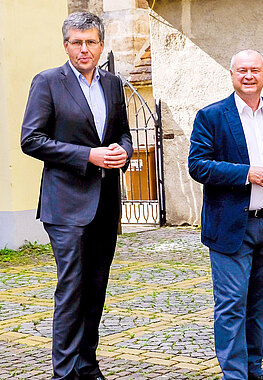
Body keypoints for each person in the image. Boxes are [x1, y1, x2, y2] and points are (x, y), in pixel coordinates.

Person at [20, 12, 132, 380]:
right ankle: (64, 371)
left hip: (104, 202)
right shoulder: (49, 82)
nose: (84, 49)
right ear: (66, 45)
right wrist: (87, 155)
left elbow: (124, 134)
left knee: (96, 287)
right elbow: (31, 140)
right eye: (77, 42)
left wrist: (122, 152)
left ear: (101, 45)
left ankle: (87, 364)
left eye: (91, 42)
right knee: (72, 287)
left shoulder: (113, 85)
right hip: (65, 205)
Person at [188, 49, 263, 380]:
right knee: (231, 307)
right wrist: (244, 173)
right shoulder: (211, 116)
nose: (248, 75)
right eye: (242, 70)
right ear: (232, 74)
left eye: (255, 69)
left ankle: (254, 368)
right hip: (231, 227)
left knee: (260, 305)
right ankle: (234, 375)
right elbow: (198, 165)